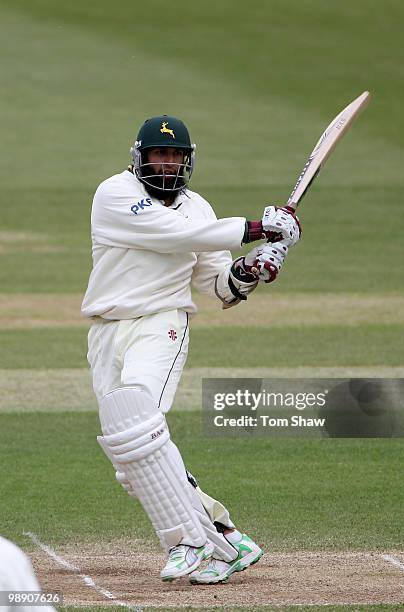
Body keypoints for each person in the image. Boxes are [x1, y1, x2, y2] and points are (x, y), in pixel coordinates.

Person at [81, 115, 300, 584]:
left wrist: (251, 270)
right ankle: (228, 538)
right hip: (105, 330)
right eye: (159, 155)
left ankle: (186, 540)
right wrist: (259, 227)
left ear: (188, 160)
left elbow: (218, 285)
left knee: (138, 427)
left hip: (161, 325)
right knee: (131, 463)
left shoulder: (201, 210)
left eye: (175, 156)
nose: (167, 164)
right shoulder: (114, 193)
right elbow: (173, 235)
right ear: (140, 157)